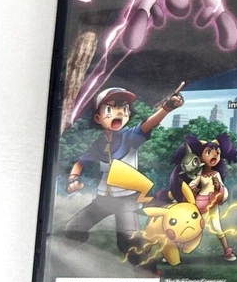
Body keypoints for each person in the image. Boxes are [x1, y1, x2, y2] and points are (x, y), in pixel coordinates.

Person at [65, 85, 184, 255]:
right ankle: (71, 260)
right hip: (103, 200)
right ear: (98, 118)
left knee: (130, 243)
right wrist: (74, 178)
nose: (119, 112)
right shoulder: (100, 142)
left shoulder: (130, 136)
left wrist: (167, 107)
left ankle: (147, 265)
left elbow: (148, 124)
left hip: (126, 200)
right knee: (72, 229)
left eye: (124, 109)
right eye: (110, 109)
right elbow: (80, 162)